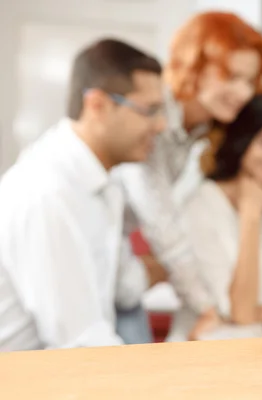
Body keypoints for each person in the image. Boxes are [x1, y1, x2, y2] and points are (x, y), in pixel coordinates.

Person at [0, 38, 167, 351]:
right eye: (149, 110)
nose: (160, 125)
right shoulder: (46, 192)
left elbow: (123, 287)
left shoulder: (103, 184)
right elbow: (81, 341)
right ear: (98, 105)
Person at [115, 12, 262, 335]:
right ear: (195, 68)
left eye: (249, 80)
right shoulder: (156, 119)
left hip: (121, 264)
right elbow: (163, 226)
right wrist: (206, 306)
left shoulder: (200, 128)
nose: (243, 93)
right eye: (231, 76)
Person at [166, 91, 262, 341]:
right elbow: (242, 313)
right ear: (244, 140)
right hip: (210, 347)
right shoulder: (201, 205)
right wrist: (251, 217)